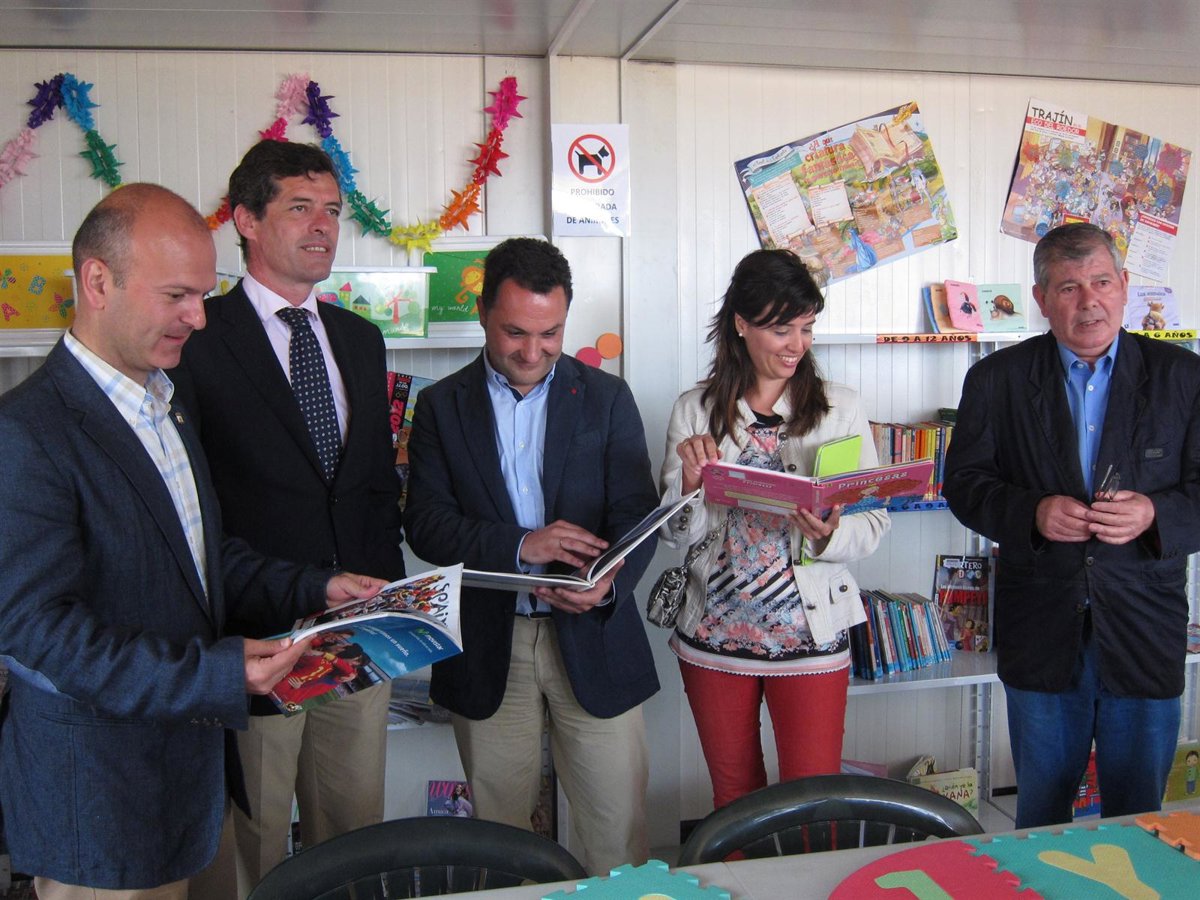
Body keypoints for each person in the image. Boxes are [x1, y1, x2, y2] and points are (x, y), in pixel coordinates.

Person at [0, 183, 386, 898]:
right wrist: (221, 675)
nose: (198, 318)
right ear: (97, 282)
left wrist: (315, 585)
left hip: (196, 780)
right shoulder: (25, 432)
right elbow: (38, 633)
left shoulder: (165, 404)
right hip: (105, 804)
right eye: (177, 295)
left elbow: (200, 559)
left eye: (204, 295)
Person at [170, 140, 406, 893]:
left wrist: (391, 604)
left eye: (331, 210)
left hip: (358, 640)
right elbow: (189, 504)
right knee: (253, 843)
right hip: (254, 637)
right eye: (299, 208)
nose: (322, 226)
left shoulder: (360, 340)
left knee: (354, 836)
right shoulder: (197, 339)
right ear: (245, 220)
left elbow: (373, 486)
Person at [404, 237, 660, 874]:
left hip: (594, 635)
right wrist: (522, 545)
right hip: (491, 645)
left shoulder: (606, 397)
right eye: (515, 332)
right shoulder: (440, 405)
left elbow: (638, 513)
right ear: (483, 314)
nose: (532, 351)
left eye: (551, 334)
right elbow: (426, 526)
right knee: (500, 844)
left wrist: (608, 583)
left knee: (616, 836)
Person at [943, 222, 1200, 828]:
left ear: (1124, 286)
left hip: (1143, 626)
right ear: (1040, 298)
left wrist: (1154, 514)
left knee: (1139, 818)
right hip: (1041, 629)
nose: (1089, 302)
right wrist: (1032, 513)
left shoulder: (1182, 377)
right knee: (1040, 817)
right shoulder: (997, 379)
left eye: (1102, 282)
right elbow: (965, 486)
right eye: (1068, 288)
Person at [659, 248, 890, 809]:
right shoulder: (695, 410)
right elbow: (675, 534)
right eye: (781, 329)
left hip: (811, 637)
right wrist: (689, 486)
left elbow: (873, 522)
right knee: (735, 799)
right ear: (741, 324)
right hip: (714, 637)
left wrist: (827, 534)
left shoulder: (840, 408)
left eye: (806, 329)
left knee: (813, 800)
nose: (797, 345)